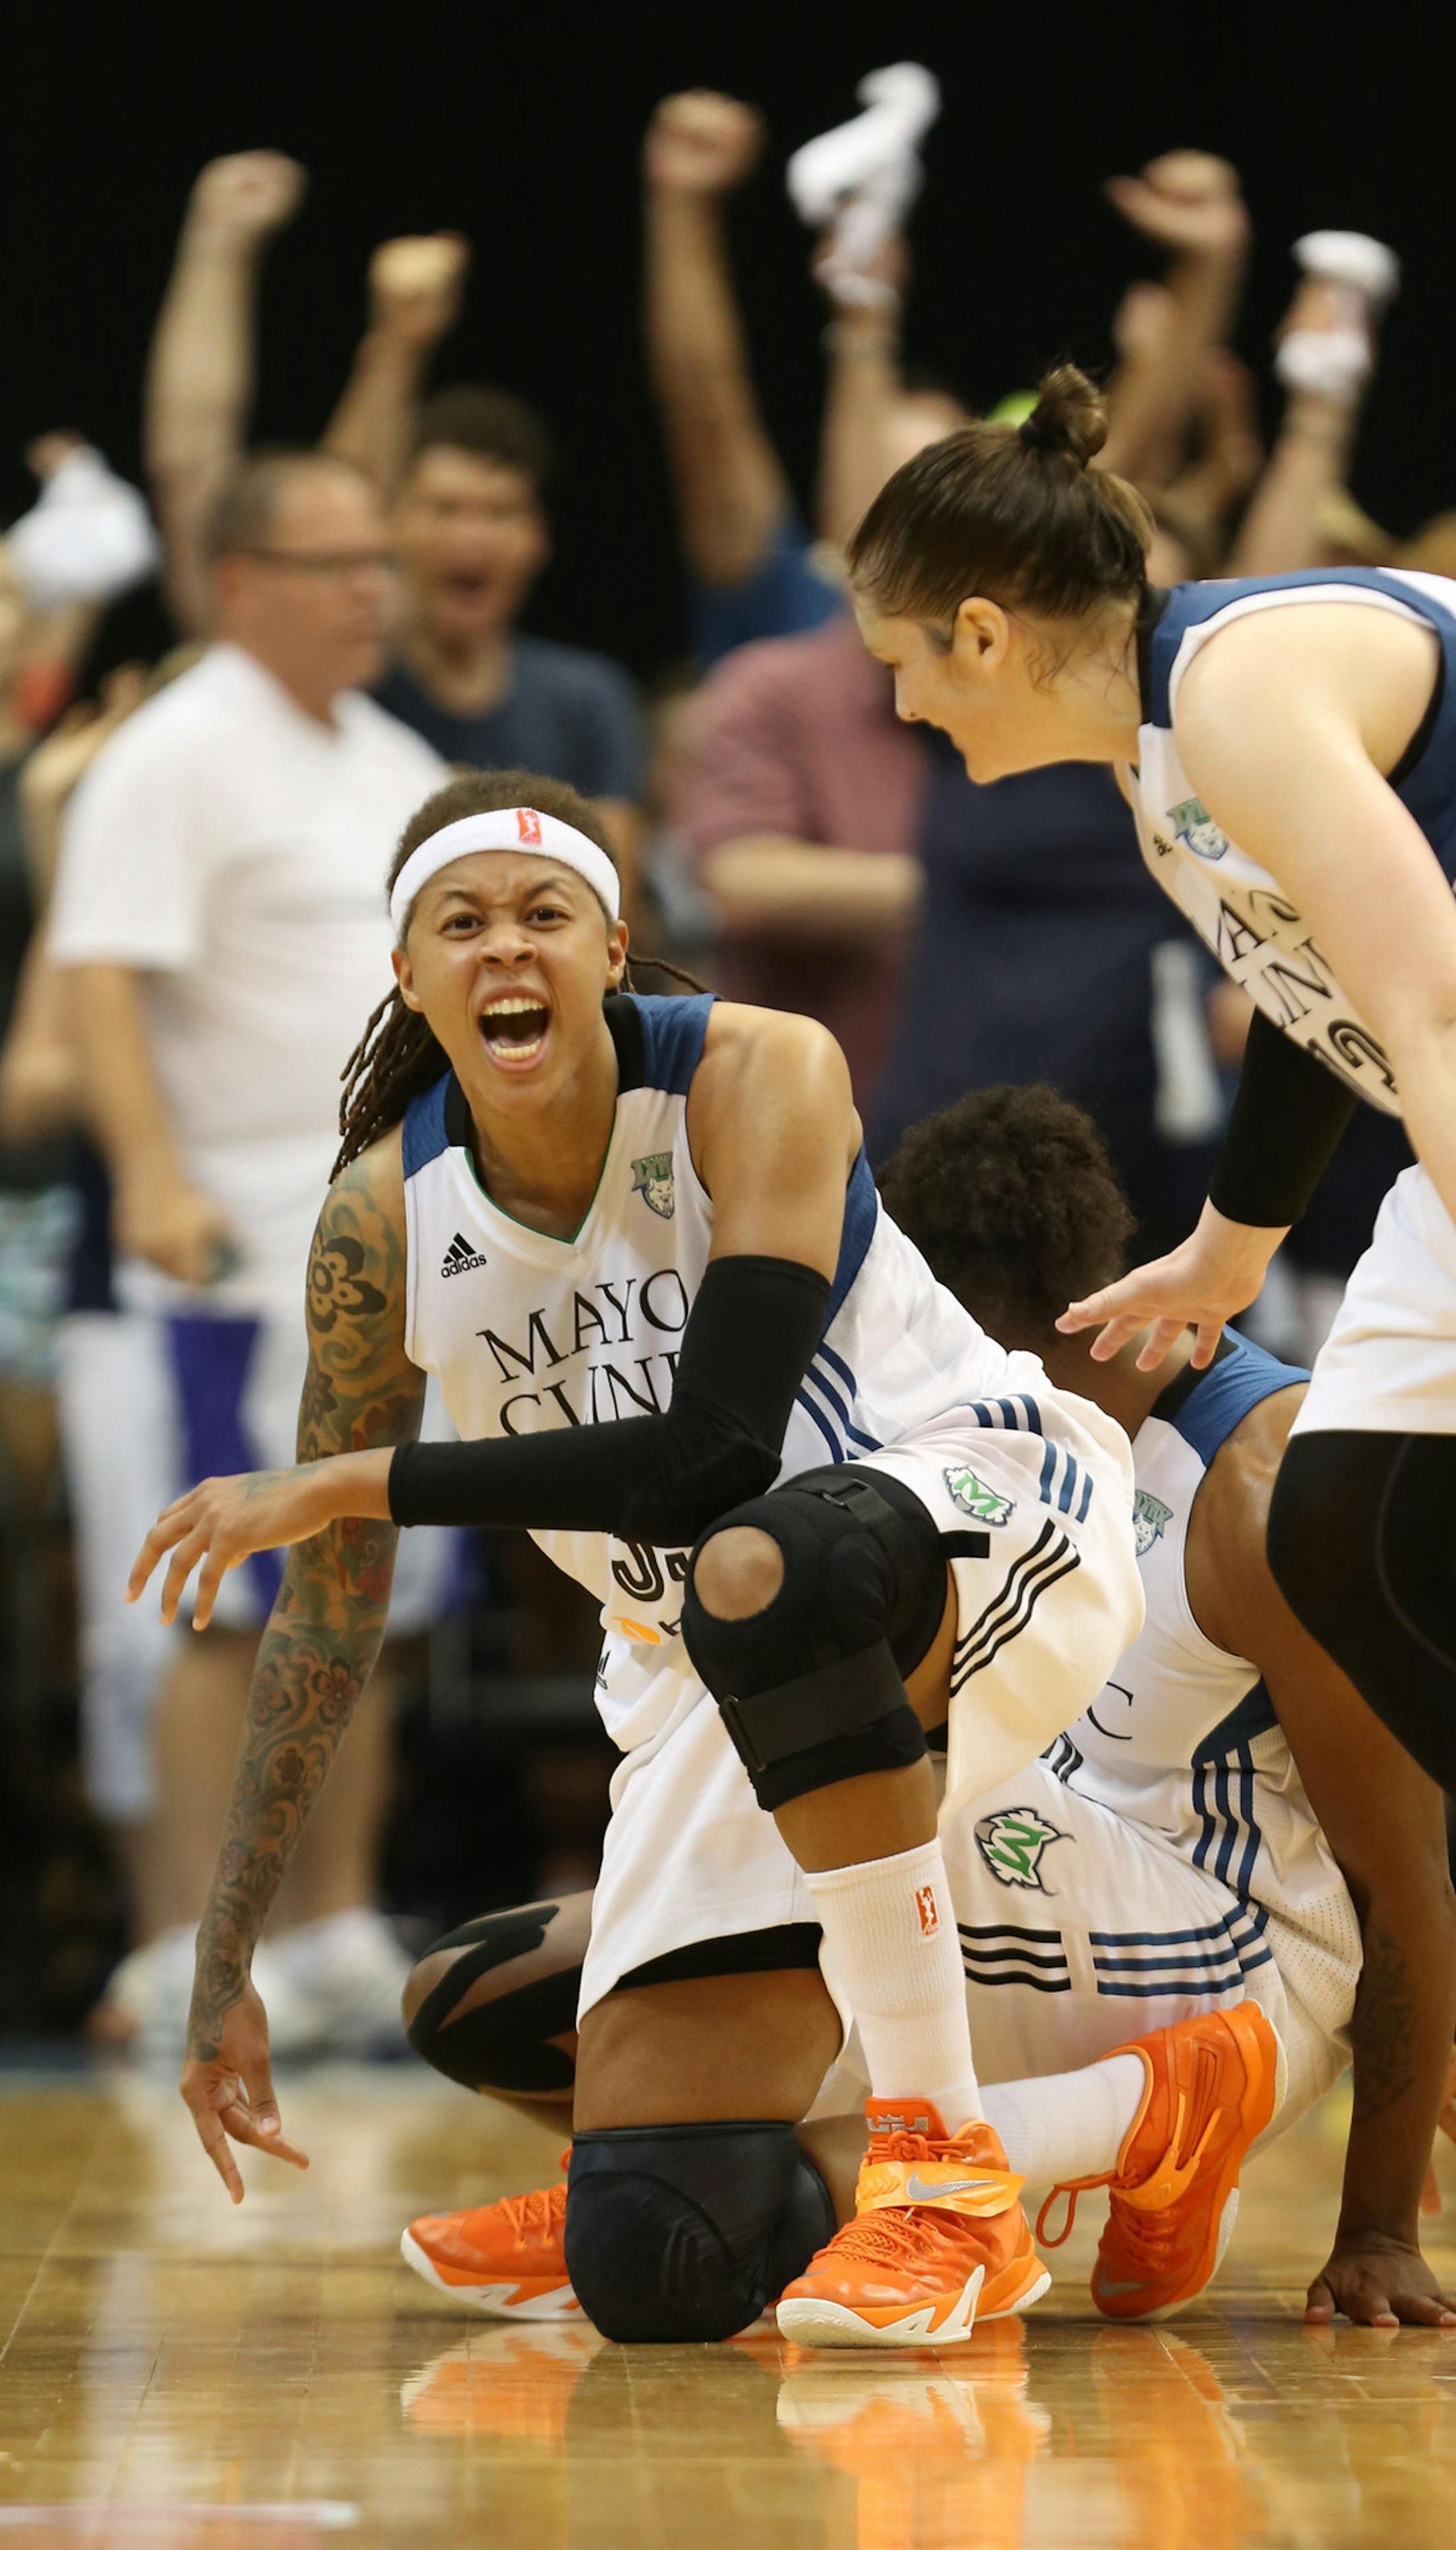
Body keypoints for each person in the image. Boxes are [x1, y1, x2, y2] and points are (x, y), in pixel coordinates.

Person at [127, 764, 1145, 2349]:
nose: (505, 946)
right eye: (461, 922)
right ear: (409, 975)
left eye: (546, 913)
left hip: (981, 1513)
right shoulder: (385, 1221)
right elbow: (327, 1616)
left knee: (763, 1559)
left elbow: (712, 1455)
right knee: (654, 2257)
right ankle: (688, 2155)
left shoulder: (760, 1069)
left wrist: (352, 1476)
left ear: (612, 949)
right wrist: (223, 1957)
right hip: (710, 1653)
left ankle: (949, 2172)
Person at [394, 1087, 1456, 2337]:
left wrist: (1379, 2228)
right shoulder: (919, 1413)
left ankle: (1113, 2131)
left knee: (829, 1744)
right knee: (485, 1997)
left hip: (1251, 1973)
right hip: (1031, 1922)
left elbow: (1407, 1879)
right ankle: (689, 2168)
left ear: (1092, 1329)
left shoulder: (1256, 1484)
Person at [845, 363, 1456, 1799]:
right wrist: (1229, 1249)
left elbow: (1431, 1008)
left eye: (904, 661)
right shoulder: (1161, 758)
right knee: (1339, 1525)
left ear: (983, 632)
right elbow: (1324, 996)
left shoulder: (1237, 692)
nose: (904, 705)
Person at [47, 450, 454, 2055]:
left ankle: (334, 1924)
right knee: (220, 1596)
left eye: (378, 558)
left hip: (384, 1242)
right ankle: (180, 1942)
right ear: (239, 582)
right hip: (222, 1245)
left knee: (370, 1582)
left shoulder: (391, 753)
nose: (373, 588)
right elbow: (98, 974)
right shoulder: (175, 750)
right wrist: (151, 1172)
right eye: (335, 561)